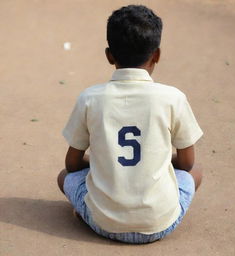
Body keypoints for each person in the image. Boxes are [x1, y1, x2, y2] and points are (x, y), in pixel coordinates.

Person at [57, 5, 203, 244]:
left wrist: (100, 163)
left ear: (109, 55)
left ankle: (87, 215)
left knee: (64, 177)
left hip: (102, 223)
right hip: (159, 224)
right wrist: (158, 160)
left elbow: (71, 165)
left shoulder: (89, 98)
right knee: (196, 172)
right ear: (156, 54)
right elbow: (187, 163)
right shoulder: (173, 98)